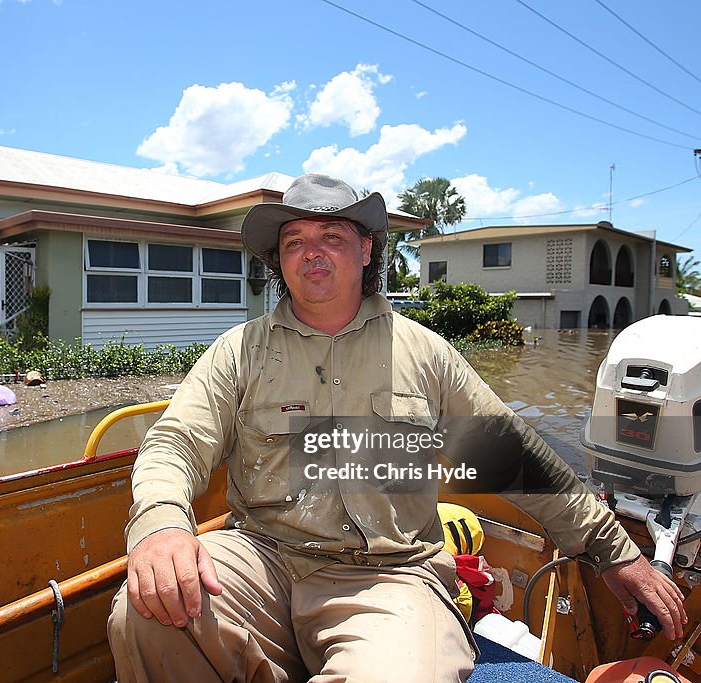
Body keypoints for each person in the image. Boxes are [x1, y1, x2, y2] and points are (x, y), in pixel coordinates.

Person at [107, 173, 686, 682]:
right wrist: (161, 526)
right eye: (295, 242)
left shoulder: (426, 354)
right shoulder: (239, 352)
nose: (312, 253)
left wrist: (614, 553)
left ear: (366, 250)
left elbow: (513, 455)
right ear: (278, 262)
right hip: (262, 557)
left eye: (332, 237)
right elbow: (174, 442)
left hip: (389, 574)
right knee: (148, 613)